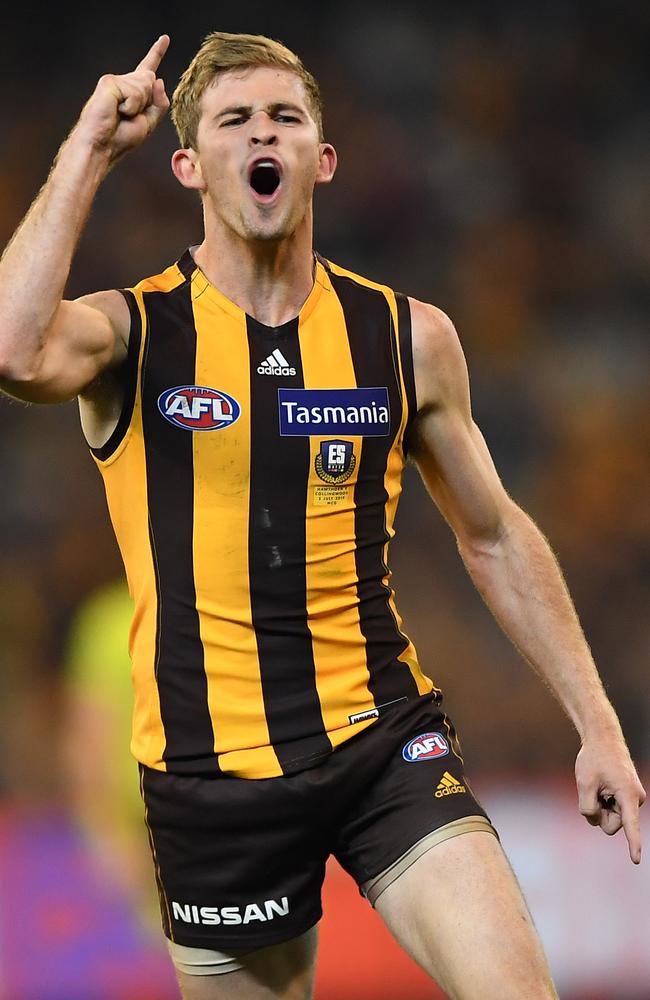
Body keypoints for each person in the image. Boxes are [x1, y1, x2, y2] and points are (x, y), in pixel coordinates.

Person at [0, 30, 645, 1000]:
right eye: (233, 119)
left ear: (321, 157)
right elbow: (11, 353)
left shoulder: (404, 335)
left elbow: (493, 533)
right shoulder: (133, 331)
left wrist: (594, 720)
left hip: (382, 740)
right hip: (211, 781)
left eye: (285, 117)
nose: (263, 133)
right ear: (189, 163)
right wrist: (88, 146)